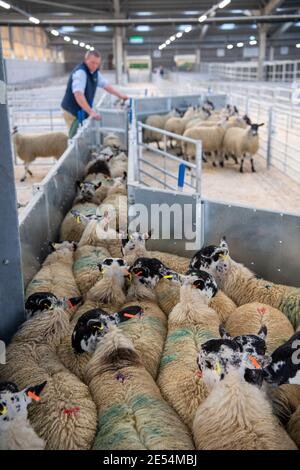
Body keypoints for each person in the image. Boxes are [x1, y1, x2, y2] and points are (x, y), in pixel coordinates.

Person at [61, 50, 129, 137]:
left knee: (82, 133)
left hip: (82, 110)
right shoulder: (80, 73)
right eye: (92, 63)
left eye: (97, 63)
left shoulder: (95, 72)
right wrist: (91, 112)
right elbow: (78, 94)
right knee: (75, 136)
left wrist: (120, 95)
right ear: (86, 60)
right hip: (72, 111)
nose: (95, 66)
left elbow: (106, 85)